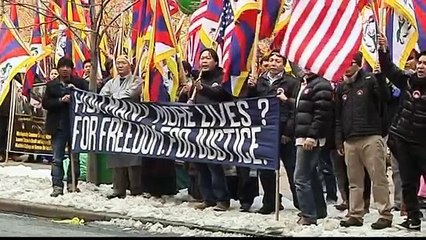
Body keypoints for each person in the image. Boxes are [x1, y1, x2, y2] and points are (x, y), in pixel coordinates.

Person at [335, 52, 392, 229]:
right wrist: (339, 140)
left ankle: (385, 214)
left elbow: (385, 98)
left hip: (370, 136)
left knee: (378, 177)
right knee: (354, 180)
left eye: (350, 62)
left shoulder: (370, 80)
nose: (347, 66)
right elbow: (338, 117)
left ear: (358, 64)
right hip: (350, 139)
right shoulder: (341, 87)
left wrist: (381, 77)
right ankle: (355, 213)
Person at [378, 33, 426, 231]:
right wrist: (384, 49)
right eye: (420, 62)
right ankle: (413, 218)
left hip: (424, 144)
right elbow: (388, 68)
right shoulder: (406, 80)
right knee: (408, 182)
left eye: (425, 63)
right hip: (403, 141)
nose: (421, 66)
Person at [180, 48, 234, 211]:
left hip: (215, 128)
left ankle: (222, 200)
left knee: (214, 164)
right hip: (198, 127)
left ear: (216, 61)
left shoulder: (222, 77)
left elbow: (222, 94)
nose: (204, 61)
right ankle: (207, 198)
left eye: (208, 58)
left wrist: (203, 88)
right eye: (202, 58)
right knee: (200, 164)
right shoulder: (198, 78)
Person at [247, 50, 300, 214]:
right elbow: (251, 104)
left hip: (284, 131)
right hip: (265, 131)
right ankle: (270, 201)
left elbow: (295, 110)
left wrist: (288, 132)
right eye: (271, 60)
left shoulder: (291, 82)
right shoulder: (259, 81)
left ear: (283, 64)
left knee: (292, 169)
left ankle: (301, 203)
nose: (274, 63)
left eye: (278, 61)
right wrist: (250, 88)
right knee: (266, 169)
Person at [42, 57, 88, 197]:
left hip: (75, 127)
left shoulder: (79, 83)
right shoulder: (51, 86)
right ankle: (57, 185)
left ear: (72, 69)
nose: (65, 69)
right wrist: (60, 100)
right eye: (62, 66)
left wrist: (76, 93)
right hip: (58, 127)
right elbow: (46, 104)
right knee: (57, 158)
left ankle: (72, 183)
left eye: (68, 67)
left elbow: (89, 98)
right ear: (58, 69)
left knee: (75, 158)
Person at [99, 55, 143, 199]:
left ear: (129, 64)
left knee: (133, 157)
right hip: (115, 124)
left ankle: (135, 189)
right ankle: (118, 189)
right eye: (117, 63)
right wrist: (115, 96)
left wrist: (114, 96)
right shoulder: (111, 82)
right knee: (116, 156)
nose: (120, 66)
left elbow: (131, 93)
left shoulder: (136, 80)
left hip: (132, 124)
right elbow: (102, 96)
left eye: (123, 63)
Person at [293, 68, 333, 225]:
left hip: (309, 138)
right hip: (302, 135)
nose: (305, 68)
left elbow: (321, 114)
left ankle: (308, 215)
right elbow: (302, 109)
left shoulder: (321, 85)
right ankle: (319, 210)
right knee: (310, 175)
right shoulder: (306, 83)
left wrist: (312, 136)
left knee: (300, 178)